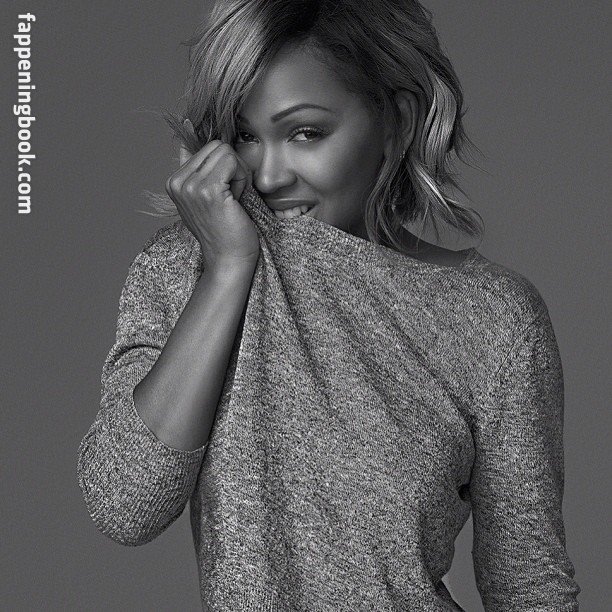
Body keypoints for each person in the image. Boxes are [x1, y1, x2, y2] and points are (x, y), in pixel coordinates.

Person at [77, 1, 581, 609]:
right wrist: (227, 270)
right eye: (246, 135)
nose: (268, 176)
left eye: (305, 133)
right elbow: (124, 502)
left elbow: (529, 583)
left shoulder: (495, 318)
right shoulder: (187, 268)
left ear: (397, 121)